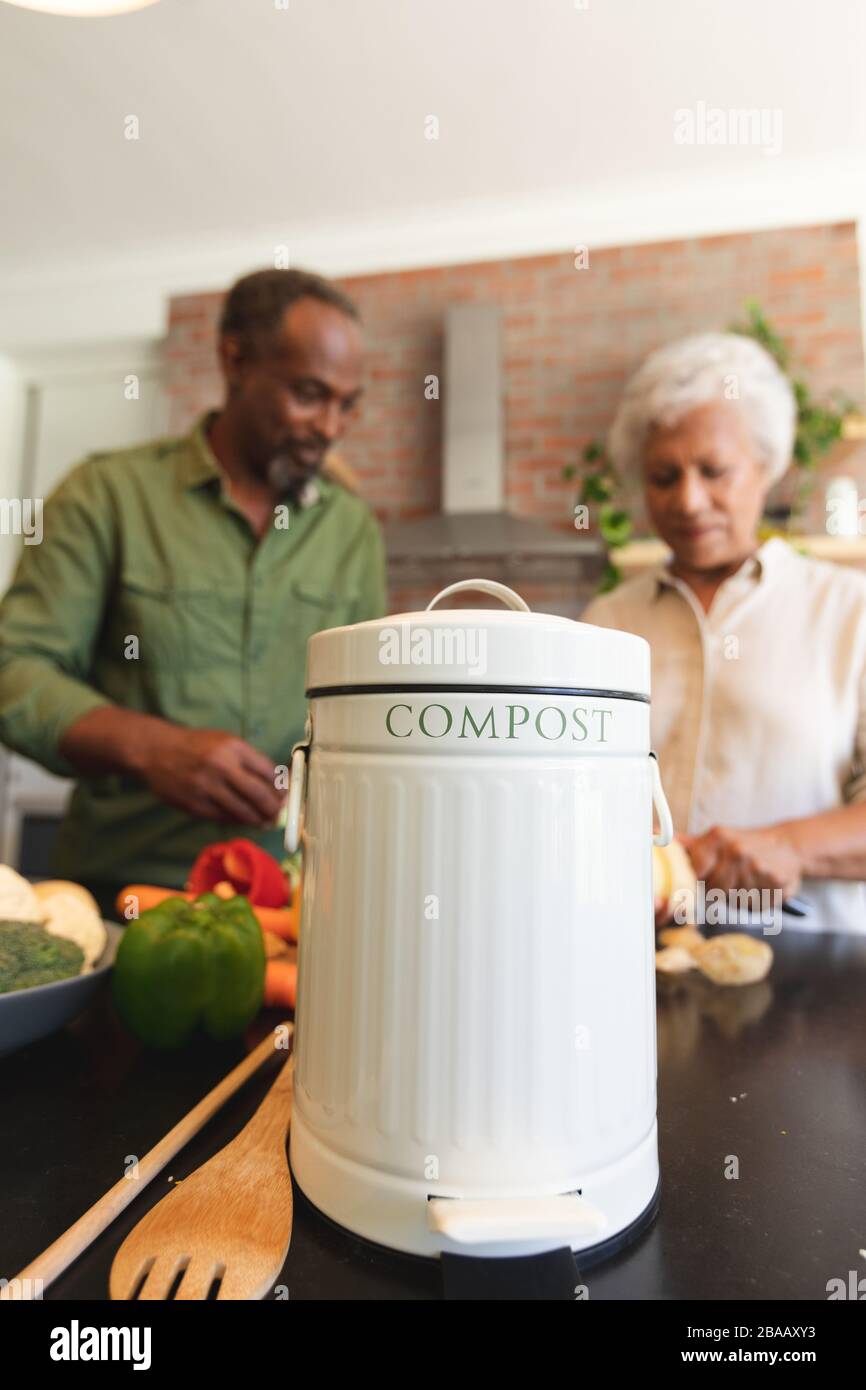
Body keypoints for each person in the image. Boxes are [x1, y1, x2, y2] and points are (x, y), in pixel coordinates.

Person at [0, 268, 386, 908]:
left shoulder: (351, 531)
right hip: (122, 891)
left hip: (294, 900)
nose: (331, 426)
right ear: (234, 359)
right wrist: (150, 748)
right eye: (310, 394)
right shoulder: (107, 495)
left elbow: (367, 710)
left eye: (348, 405)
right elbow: (13, 668)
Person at [582, 332, 866, 933]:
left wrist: (791, 845)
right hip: (634, 953)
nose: (689, 501)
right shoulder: (607, 623)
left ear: (767, 468)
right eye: (663, 476)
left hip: (809, 975)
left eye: (715, 471)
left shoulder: (849, 610)